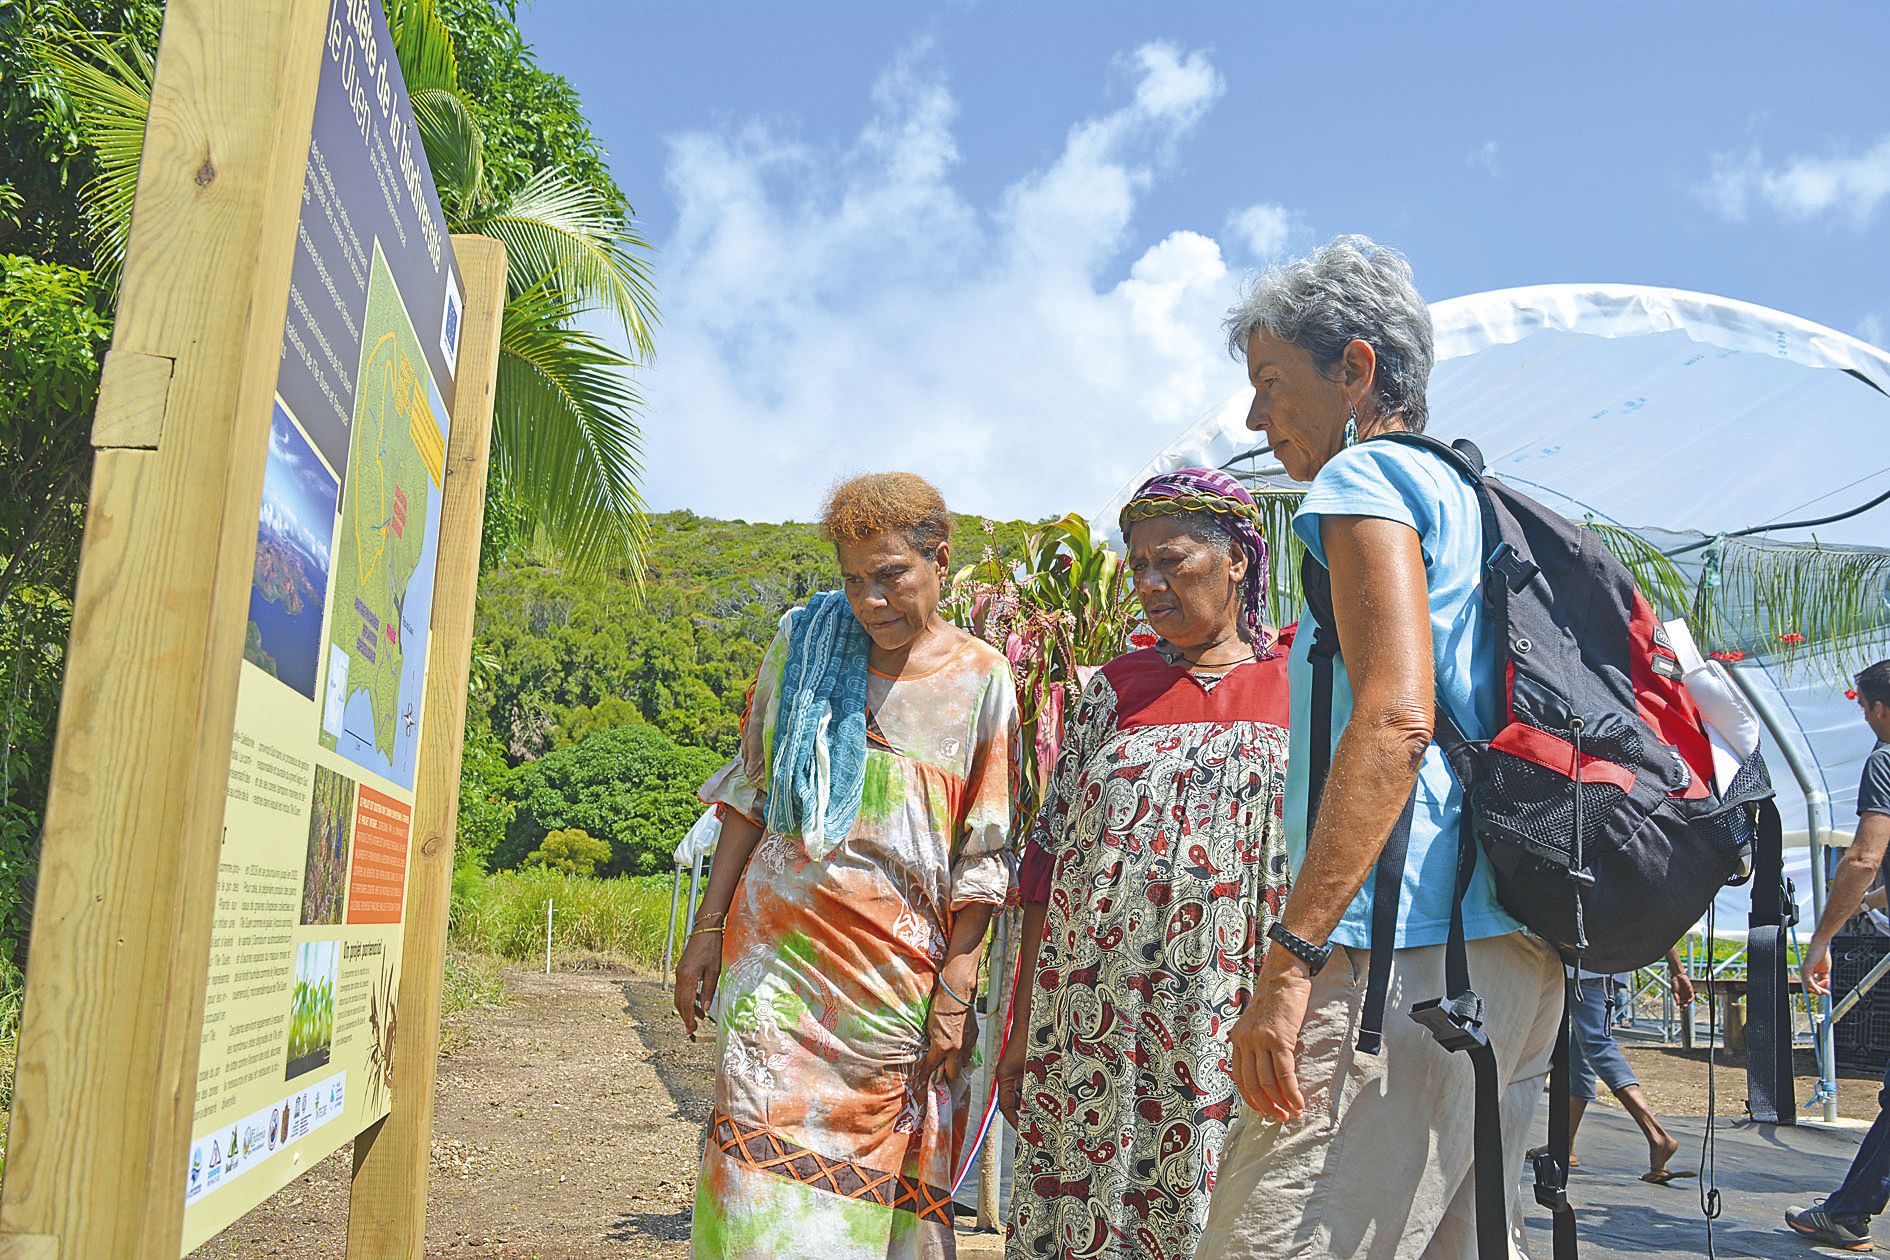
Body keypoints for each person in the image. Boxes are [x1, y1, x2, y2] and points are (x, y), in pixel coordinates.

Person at [1198, 235, 1565, 1259]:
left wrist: (1292, 958)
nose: (1254, 417)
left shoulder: (1363, 485)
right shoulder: (1474, 501)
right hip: (1514, 957)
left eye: (1272, 383)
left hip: (1400, 961)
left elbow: (1396, 718)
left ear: (1355, 368)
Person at [674, 472, 1019, 1260]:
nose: (869, 601)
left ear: (939, 558)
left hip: (892, 988)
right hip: (775, 969)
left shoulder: (980, 678)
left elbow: (983, 854)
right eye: (852, 580)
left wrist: (957, 992)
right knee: (756, 1191)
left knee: (875, 1201)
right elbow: (749, 795)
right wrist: (707, 930)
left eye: (891, 575)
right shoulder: (804, 645)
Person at [996, 468, 1293, 1260]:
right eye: (1139, 567)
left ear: (1238, 560)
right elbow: (1046, 866)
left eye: (1174, 560)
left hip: (1223, 1009)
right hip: (1089, 1020)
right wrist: (1024, 1028)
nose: (1151, 584)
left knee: (1214, 1200)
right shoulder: (1113, 691)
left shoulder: (1298, 682)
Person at [1785, 658, 1890, 1252]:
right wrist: (1874, 902)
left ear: (1877, 707)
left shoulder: (1886, 758)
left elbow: (1863, 857)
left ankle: (1849, 1212)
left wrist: (1822, 940)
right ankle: (1850, 1209)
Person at [1526, 950, 1697, 1183]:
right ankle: (1565, 1143)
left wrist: (1678, 972)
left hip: (1585, 967)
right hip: (1608, 966)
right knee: (1580, 1054)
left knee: (1597, 1043)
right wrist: (1678, 971)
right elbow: (1659, 918)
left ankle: (1657, 1135)